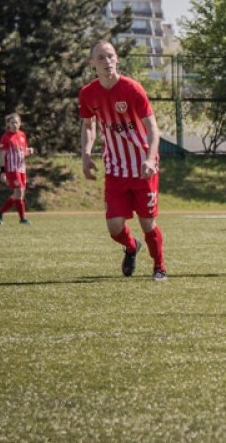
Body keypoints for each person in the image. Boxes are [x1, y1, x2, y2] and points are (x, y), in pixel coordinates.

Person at [79, 40, 167, 282]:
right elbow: (89, 127)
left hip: (142, 167)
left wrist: (150, 159)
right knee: (114, 227)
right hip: (116, 169)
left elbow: (152, 128)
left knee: (148, 222)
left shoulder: (132, 89)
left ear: (116, 59)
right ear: (92, 64)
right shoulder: (88, 93)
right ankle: (131, 246)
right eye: (100, 58)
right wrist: (86, 156)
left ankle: (159, 267)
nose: (107, 62)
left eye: (110, 56)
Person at [0, 112, 35, 225]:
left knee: (19, 194)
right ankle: (22, 219)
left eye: (16, 122)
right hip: (12, 169)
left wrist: (29, 151)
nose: (15, 124)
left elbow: (23, 152)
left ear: (20, 123)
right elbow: (2, 155)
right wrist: (2, 171)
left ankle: (0, 212)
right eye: (12, 123)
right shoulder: (5, 137)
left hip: (22, 168)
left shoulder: (22, 135)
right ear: (8, 124)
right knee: (19, 191)